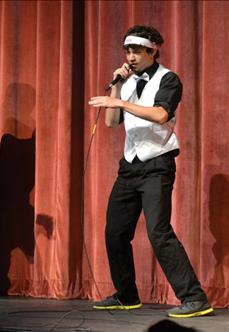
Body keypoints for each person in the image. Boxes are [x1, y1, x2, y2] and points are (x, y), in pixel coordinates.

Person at [88, 25, 213, 318]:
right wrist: (118, 87)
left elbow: (160, 115)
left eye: (136, 51)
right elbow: (110, 123)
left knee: (159, 232)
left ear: (153, 49)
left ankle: (195, 298)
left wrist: (119, 101)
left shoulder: (168, 79)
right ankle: (126, 295)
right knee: (115, 232)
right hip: (130, 165)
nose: (130, 57)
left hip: (157, 163)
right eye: (127, 51)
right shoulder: (128, 83)